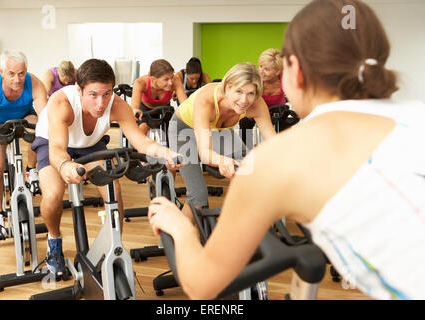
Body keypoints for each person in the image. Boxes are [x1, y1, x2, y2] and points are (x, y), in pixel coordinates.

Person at [147, 0, 425, 300]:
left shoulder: (274, 154)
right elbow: (210, 150)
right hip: (186, 129)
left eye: (253, 92)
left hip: (225, 138)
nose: (247, 98)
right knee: (203, 191)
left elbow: (201, 286)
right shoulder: (418, 115)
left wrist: (178, 227)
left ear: (295, 73)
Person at [31, 58, 182, 275]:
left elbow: (140, 141)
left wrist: (167, 152)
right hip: (52, 142)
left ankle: (113, 246)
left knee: (115, 193)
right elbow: (56, 148)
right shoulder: (62, 103)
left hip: (90, 145)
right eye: (93, 95)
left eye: (106, 94)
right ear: (80, 90)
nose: (101, 103)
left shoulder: (117, 104)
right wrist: (65, 166)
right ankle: (54, 241)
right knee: (54, 195)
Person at [167, 62, 276, 220]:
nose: (244, 100)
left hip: (218, 130)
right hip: (183, 130)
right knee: (198, 196)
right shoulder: (207, 101)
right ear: (227, 87)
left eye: (251, 93)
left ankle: (236, 229)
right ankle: (173, 241)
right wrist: (222, 160)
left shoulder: (256, 104)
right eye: (239, 91)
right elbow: (205, 153)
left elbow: (273, 141)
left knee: (248, 172)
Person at [0, 49, 47, 216]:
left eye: (21, 74)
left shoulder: (35, 83)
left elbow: (45, 115)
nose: (17, 79)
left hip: (24, 116)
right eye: (12, 74)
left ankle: (31, 169)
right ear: (1, 72)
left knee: (41, 129)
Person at [239, 48, 287, 147]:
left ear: (278, 71)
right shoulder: (255, 79)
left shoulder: (285, 79)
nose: (261, 71)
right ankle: (247, 152)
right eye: (260, 66)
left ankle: (281, 151)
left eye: (266, 69)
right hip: (256, 109)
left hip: (277, 111)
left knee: (285, 125)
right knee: (245, 123)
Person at [131, 59, 187, 135]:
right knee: (142, 129)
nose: (170, 82)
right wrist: (135, 111)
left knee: (173, 131)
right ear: (153, 79)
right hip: (146, 110)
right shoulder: (140, 82)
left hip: (165, 109)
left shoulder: (175, 80)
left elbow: (185, 105)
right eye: (166, 79)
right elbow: (134, 108)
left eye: (172, 77)